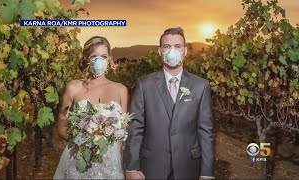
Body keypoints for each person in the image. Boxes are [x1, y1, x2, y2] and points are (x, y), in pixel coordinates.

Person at [124, 27, 215, 179]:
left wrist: (207, 173)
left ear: (185, 51)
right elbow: (135, 128)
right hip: (152, 167)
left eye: (177, 46)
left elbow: (206, 132)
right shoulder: (144, 84)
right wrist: (131, 167)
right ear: (159, 51)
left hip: (189, 167)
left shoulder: (201, 86)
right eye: (167, 46)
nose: (172, 51)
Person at [53, 36, 128, 179]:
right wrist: (86, 142)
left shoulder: (121, 90)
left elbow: (122, 135)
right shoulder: (73, 88)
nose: (99, 61)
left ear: (109, 59)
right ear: (86, 59)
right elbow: (61, 128)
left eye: (103, 56)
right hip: (79, 160)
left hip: (110, 164)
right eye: (94, 56)